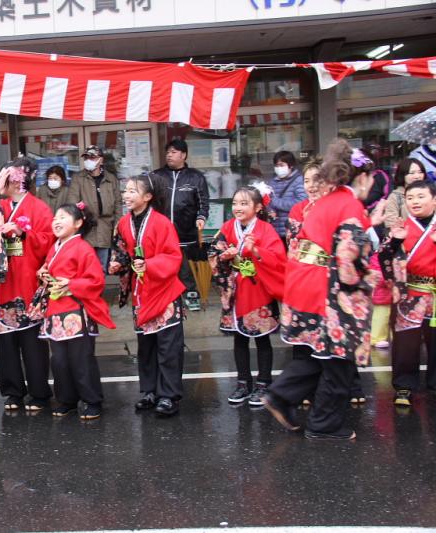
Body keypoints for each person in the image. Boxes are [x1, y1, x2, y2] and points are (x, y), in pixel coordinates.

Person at [262, 140, 375, 441]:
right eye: (371, 177)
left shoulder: (325, 202)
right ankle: (324, 425)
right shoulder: (350, 204)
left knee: (316, 355)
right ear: (361, 177)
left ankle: (281, 396)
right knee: (339, 358)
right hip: (329, 288)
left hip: (304, 282)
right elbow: (349, 258)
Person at [0, 158, 55, 411]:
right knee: (6, 342)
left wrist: (24, 234)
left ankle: (39, 392)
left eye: (8, 178)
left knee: (32, 342)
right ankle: (13, 392)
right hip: (4, 280)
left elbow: (48, 241)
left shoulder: (39, 207)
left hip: (28, 279)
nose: (4, 183)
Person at [109, 174, 186, 417]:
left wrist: (149, 265)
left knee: (168, 346)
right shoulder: (123, 223)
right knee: (146, 345)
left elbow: (173, 256)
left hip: (164, 291)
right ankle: (150, 391)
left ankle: (168, 395)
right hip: (141, 291)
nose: (126, 195)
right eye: (126, 191)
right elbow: (121, 251)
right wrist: (117, 264)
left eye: (133, 191)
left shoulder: (162, 223)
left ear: (148, 197)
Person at [34, 202, 116, 420]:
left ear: (78, 223)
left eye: (63, 217)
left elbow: (96, 280)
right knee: (59, 360)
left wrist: (71, 284)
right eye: (55, 218)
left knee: (81, 359)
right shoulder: (55, 247)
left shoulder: (83, 248)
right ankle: (66, 399)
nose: (56, 221)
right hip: (56, 309)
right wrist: (44, 272)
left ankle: (92, 400)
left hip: (76, 310)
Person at [210, 186, 286, 407]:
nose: (237, 208)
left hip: (258, 288)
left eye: (244, 203)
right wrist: (224, 256)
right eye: (235, 203)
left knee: (262, 338)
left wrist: (256, 252)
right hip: (235, 289)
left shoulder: (265, 230)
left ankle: (264, 383)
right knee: (239, 338)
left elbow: (278, 258)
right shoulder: (227, 227)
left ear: (258, 207)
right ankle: (243, 382)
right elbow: (213, 252)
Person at [378, 179, 436, 407]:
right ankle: (404, 385)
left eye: (421, 197)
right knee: (405, 342)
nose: (415, 202)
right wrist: (394, 244)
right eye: (410, 198)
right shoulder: (400, 228)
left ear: (434, 199)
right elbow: (383, 258)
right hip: (411, 291)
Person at [151, 140, 209, 311]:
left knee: (186, 269)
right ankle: (166, 300)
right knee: (163, 268)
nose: (169, 155)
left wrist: (201, 217)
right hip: (161, 233)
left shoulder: (196, 177)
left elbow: (203, 202)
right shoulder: (156, 176)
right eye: (168, 151)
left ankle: (191, 296)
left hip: (186, 232)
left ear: (183, 155)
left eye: (174, 152)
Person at [67, 145, 120, 270]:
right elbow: (72, 202)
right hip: (86, 230)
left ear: (100, 160)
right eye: (86, 157)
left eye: (92, 157)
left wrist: (118, 226)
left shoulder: (111, 179)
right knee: (86, 267)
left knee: (102, 268)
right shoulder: (78, 178)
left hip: (105, 229)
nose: (88, 160)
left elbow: (118, 204)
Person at [268, 150, 307, 241]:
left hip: (291, 230)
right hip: (275, 230)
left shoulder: (299, 181)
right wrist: (270, 210)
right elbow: (268, 202)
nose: (279, 168)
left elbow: (300, 203)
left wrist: (275, 202)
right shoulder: (273, 182)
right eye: (276, 166)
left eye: (281, 165)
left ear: (291, 165)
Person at [383, 158, 427, 228]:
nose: (417, 176)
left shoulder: (430, 193)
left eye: (420, 172)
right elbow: (390, 222)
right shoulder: (395, 197)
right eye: (412, 173)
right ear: (403, 175)